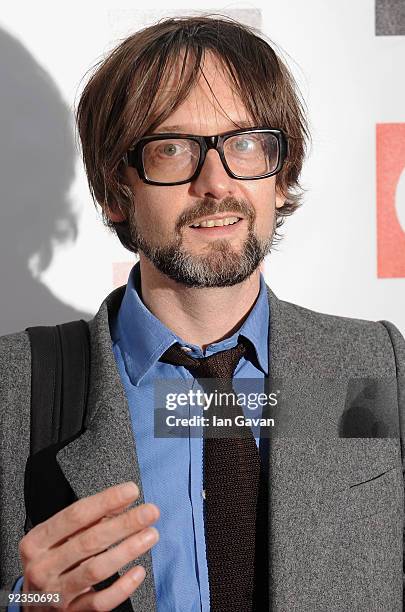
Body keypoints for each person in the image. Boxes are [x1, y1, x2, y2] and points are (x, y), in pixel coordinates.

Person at [1, 14, 404, 612]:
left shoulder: (372, 366)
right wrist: (26, 606)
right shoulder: (13, 385)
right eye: (172, 149)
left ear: (281, 173)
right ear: (117, 190)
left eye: (245, 143)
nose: (217, 184)